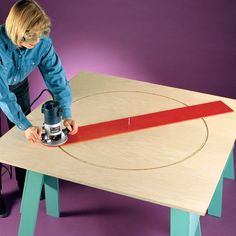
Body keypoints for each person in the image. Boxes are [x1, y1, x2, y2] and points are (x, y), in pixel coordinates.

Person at [0, 0, 78, 217]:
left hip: (17, 84)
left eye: (38, 37)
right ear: (17, 31)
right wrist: (24, 124)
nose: (35, 42)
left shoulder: (41, 42)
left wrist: (66, 112)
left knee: (26, 136)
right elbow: (3, 96)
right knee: (20, 128)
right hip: (0, 87)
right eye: (30, 38)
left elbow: (55, 76)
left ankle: (27, 184)